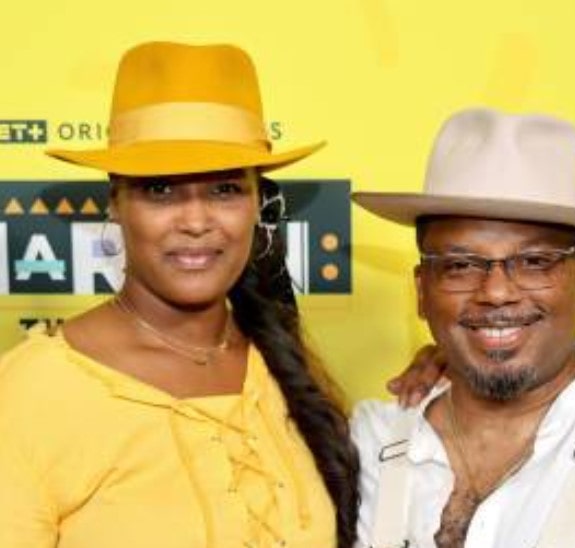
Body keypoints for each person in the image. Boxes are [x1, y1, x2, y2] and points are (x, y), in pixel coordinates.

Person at [0, 41, 360, 548]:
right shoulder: (29, 392)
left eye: (225, 190)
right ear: (115, 202)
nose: (195, 221)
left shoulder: (280, 365)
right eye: (161, 190)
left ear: (257, 203)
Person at [351, 107, 575, 548]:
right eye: (460, 265)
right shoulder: (367, 443)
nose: (496, 293)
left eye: (534, 261)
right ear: (421, 290)